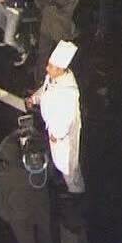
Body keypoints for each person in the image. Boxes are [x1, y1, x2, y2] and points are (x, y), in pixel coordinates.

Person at [33, 41, 86, 193]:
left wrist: (58, 135)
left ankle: (76, 192)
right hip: (53, 132)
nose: (46, 68)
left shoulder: (69, 91)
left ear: (60, 69)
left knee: (69, 167)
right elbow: (44, 90)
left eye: (50, 66)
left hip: (64, 137)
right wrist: (34, 98)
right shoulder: (52, 77)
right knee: (59, 162)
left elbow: (67, 118)